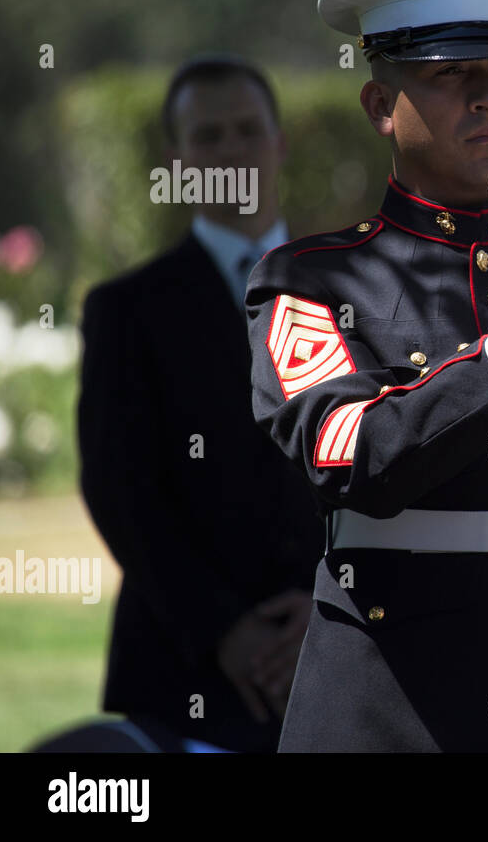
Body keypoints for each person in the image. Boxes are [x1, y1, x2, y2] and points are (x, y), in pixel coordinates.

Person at [245, 0, 488, 752]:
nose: (487, 98)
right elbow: (347, 458)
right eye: (451, 75)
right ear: (380, 106)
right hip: (394, 691)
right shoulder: (310, 281)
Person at [77, 55, 322, 752]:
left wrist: (331, 603)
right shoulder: (127, 310)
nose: (232, 150)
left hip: (337, 656)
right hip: (181, 675)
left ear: (280, 142)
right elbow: (119, 489)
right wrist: (225, 630)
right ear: (177, 159)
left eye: (248, 129)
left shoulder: (353, 289)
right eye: (208, 137)